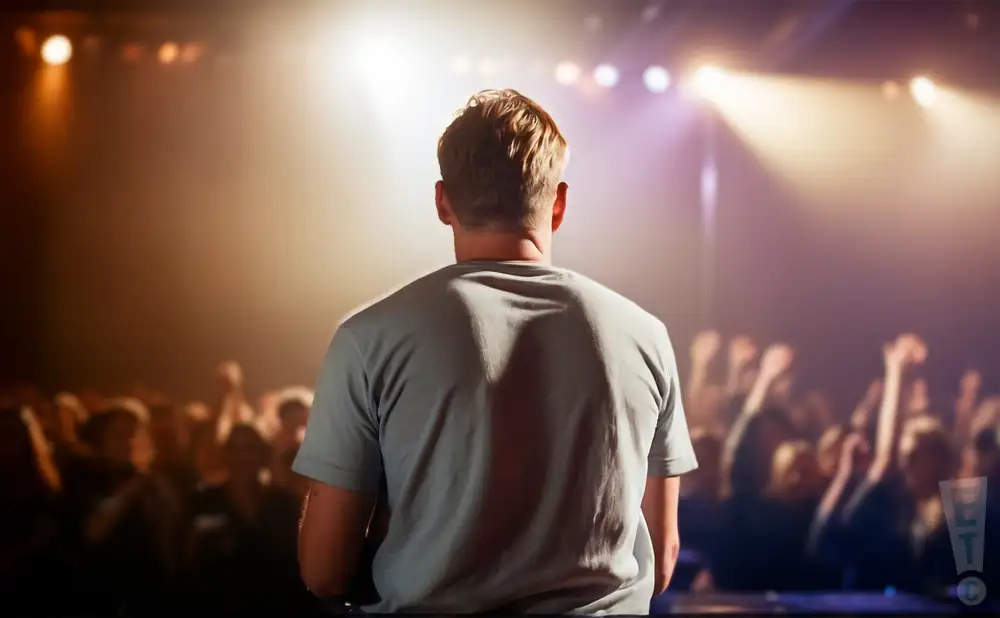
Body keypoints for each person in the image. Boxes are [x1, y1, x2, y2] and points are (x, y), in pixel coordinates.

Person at [293, 89, 697, 614]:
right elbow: (661, 562)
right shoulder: (645, 336)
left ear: (442, 202)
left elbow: (324, 573)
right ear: (558, 202)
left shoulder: (369, 338)